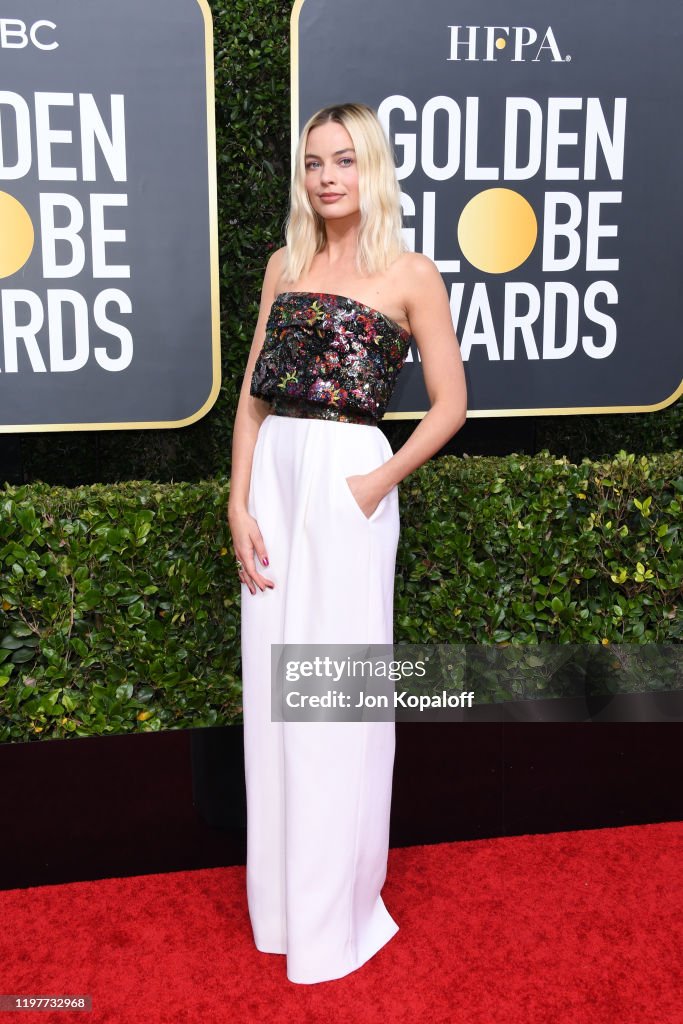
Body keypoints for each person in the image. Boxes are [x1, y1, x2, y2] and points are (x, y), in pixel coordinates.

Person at [228, 102, 467, 984]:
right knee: (273, 693)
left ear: (372, 169)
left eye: (344, 161)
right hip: (277, 480)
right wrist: (237, 500)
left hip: (347, 479)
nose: (327, 177)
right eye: (313, 162)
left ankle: (338, 915)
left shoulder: (409, 272)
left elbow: (449, 403)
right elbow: (253, 395)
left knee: (333, 697)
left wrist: (372, 483)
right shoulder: (282, 265)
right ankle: (286, 910)